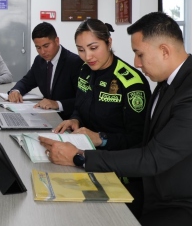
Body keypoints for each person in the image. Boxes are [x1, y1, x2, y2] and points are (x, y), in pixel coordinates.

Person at [40, 12, 192, 226]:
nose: (136, 63)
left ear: (164, 51)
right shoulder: (169, 83)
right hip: (159, 190)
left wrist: (80, 157)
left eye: (139, 54)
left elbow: (152, 157)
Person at [52, 18, 151, 217]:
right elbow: (80, 106)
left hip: (120, 175)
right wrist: (75, 119)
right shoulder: (85, 71)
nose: (87, 56)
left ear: (109, 42)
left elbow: (139, 140)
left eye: (93, 48)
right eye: (81, 50)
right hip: (84, 161)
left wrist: (101, 138)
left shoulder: (131, 82)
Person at [7, 22, 82, 119]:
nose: (42, 52)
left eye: (46, 46)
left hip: (68, 118)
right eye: (38, 47)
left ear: (57, 41)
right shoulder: (39, 61)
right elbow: (26, 82)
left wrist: (57, 104)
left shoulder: (75, 62)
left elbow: (83, 100)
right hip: (46, 115)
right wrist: (16, 91)